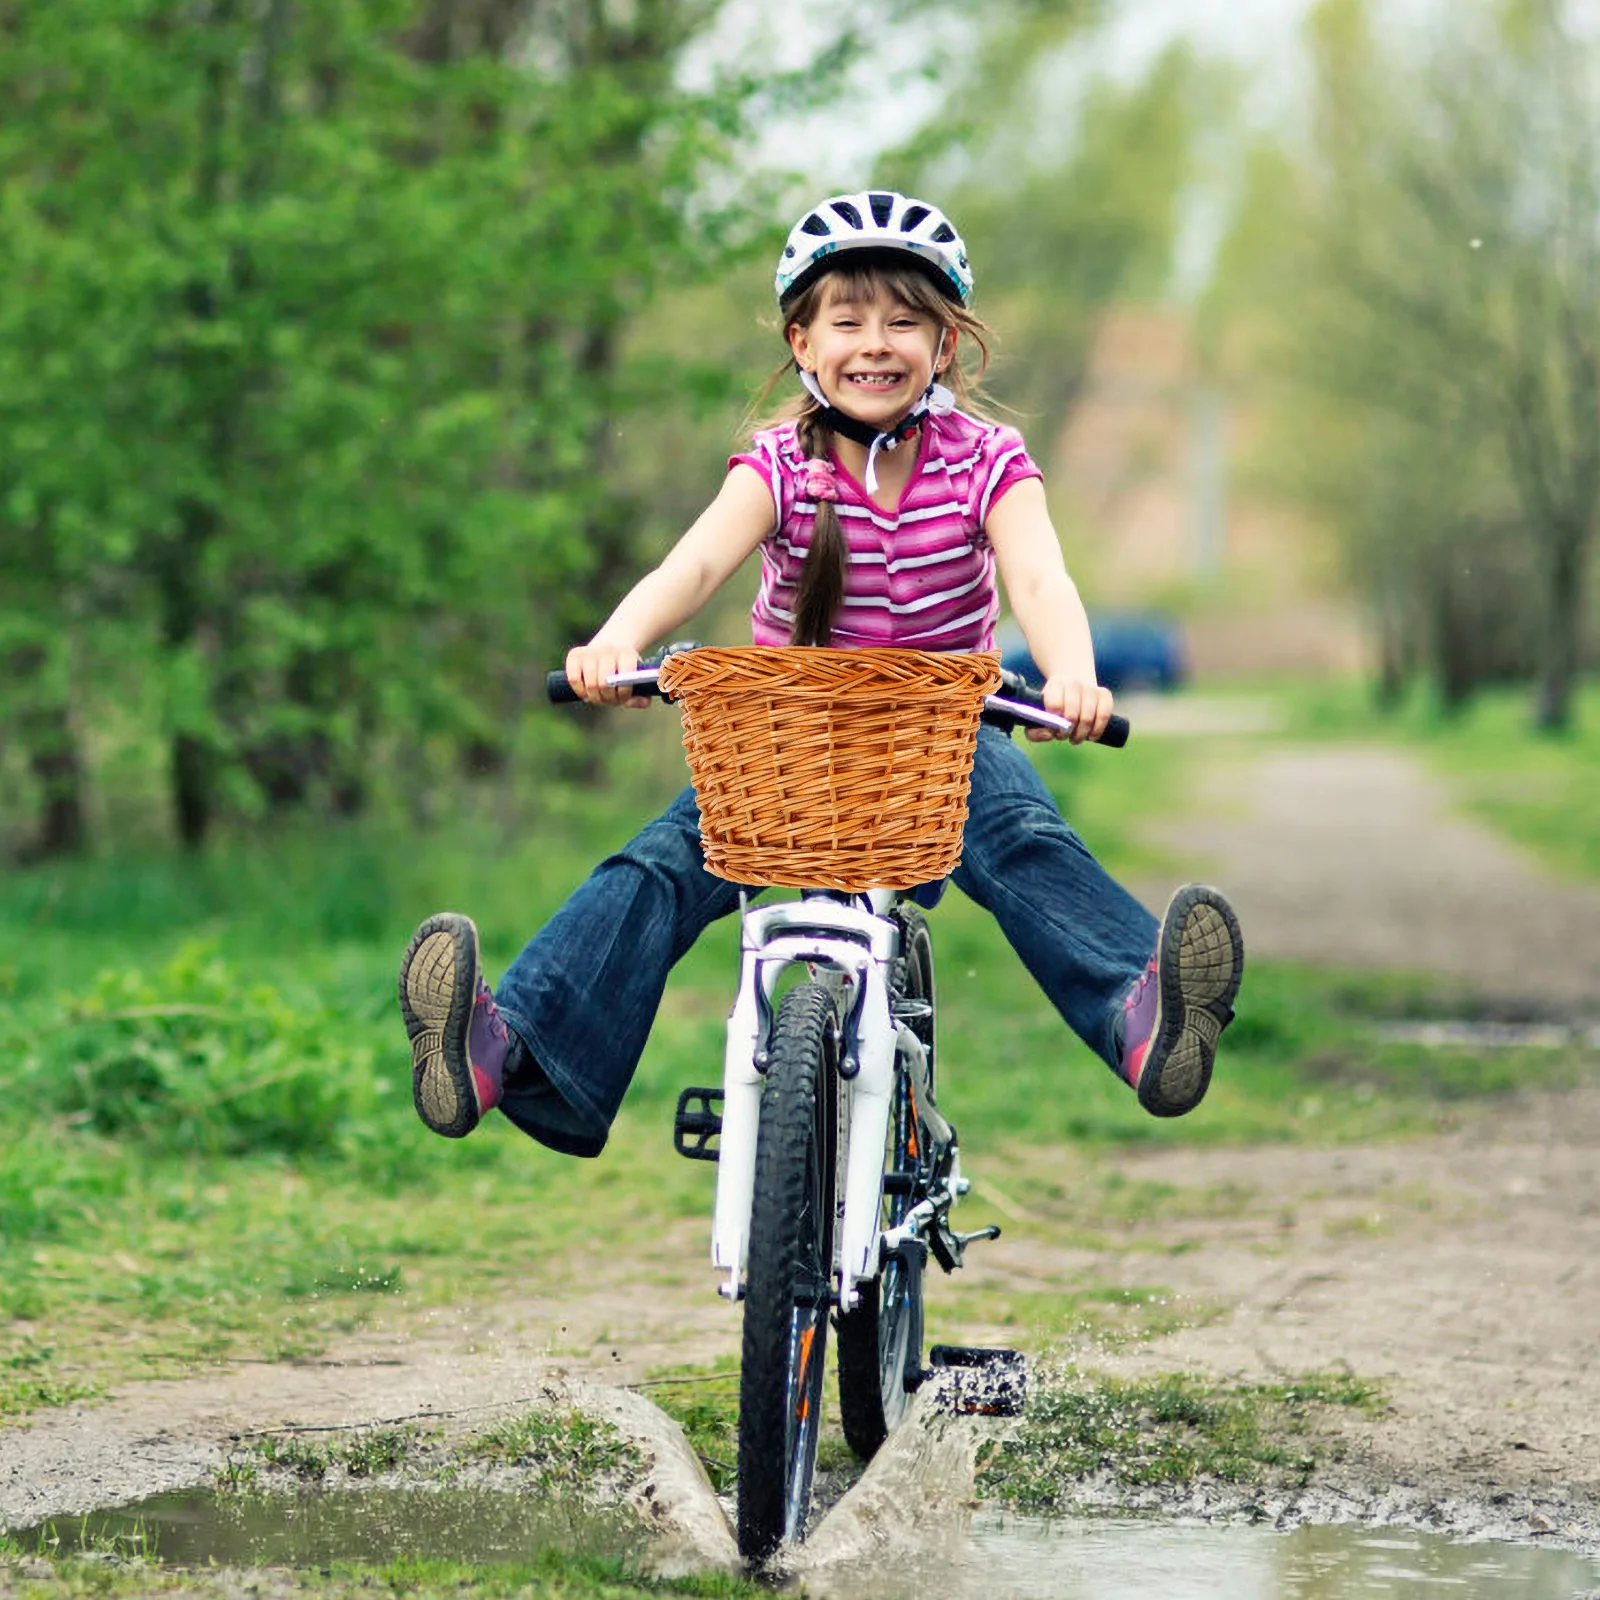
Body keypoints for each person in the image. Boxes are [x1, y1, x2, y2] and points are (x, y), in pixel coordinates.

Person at [398, 189, 1244, 1154]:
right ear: (803, 343)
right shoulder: (780, 466)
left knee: (1021, 836)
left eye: (904, 321)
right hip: (786, 746)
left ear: (946, 346)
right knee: (660, 867)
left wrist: (1073, 676)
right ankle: (500, 1051)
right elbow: (698, 564)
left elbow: (1041, 578)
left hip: (944, 739)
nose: (875, 342)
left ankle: (1145, 1018)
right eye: (847, 321)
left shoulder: (985, 460)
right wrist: (614, 642)